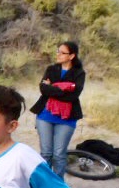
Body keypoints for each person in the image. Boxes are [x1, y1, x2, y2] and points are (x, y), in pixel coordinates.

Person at [29, 41, 86, 179]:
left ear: (71, 56)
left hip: (67, 118)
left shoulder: (79, 73)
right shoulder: (51, 69)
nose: (58, 54)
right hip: (45, 115)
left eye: (62, 52)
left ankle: (58, 186)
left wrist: (53, 87)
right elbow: (43, 89)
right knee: (46, 153)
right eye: (57, 51)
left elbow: (73, 95)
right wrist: (64, 87)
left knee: (59, 154)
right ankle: (45, 184)